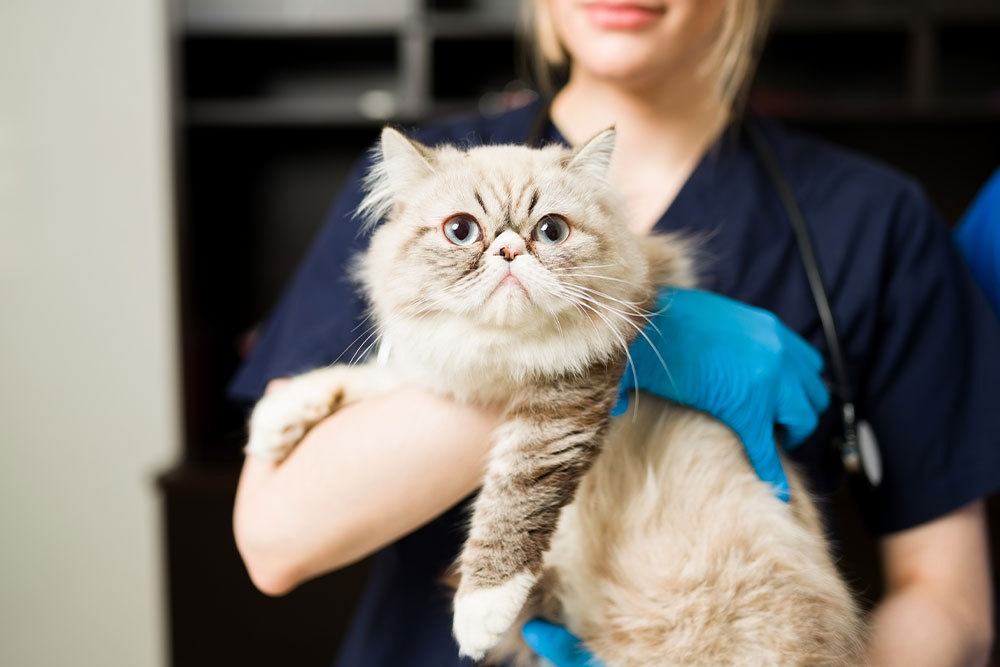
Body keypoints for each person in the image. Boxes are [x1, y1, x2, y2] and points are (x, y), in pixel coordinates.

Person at [229, 1, 1000, 665]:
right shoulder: (429, 182)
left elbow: (950, 602)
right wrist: (599, 352)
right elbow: (274, 540)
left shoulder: (875, 218)